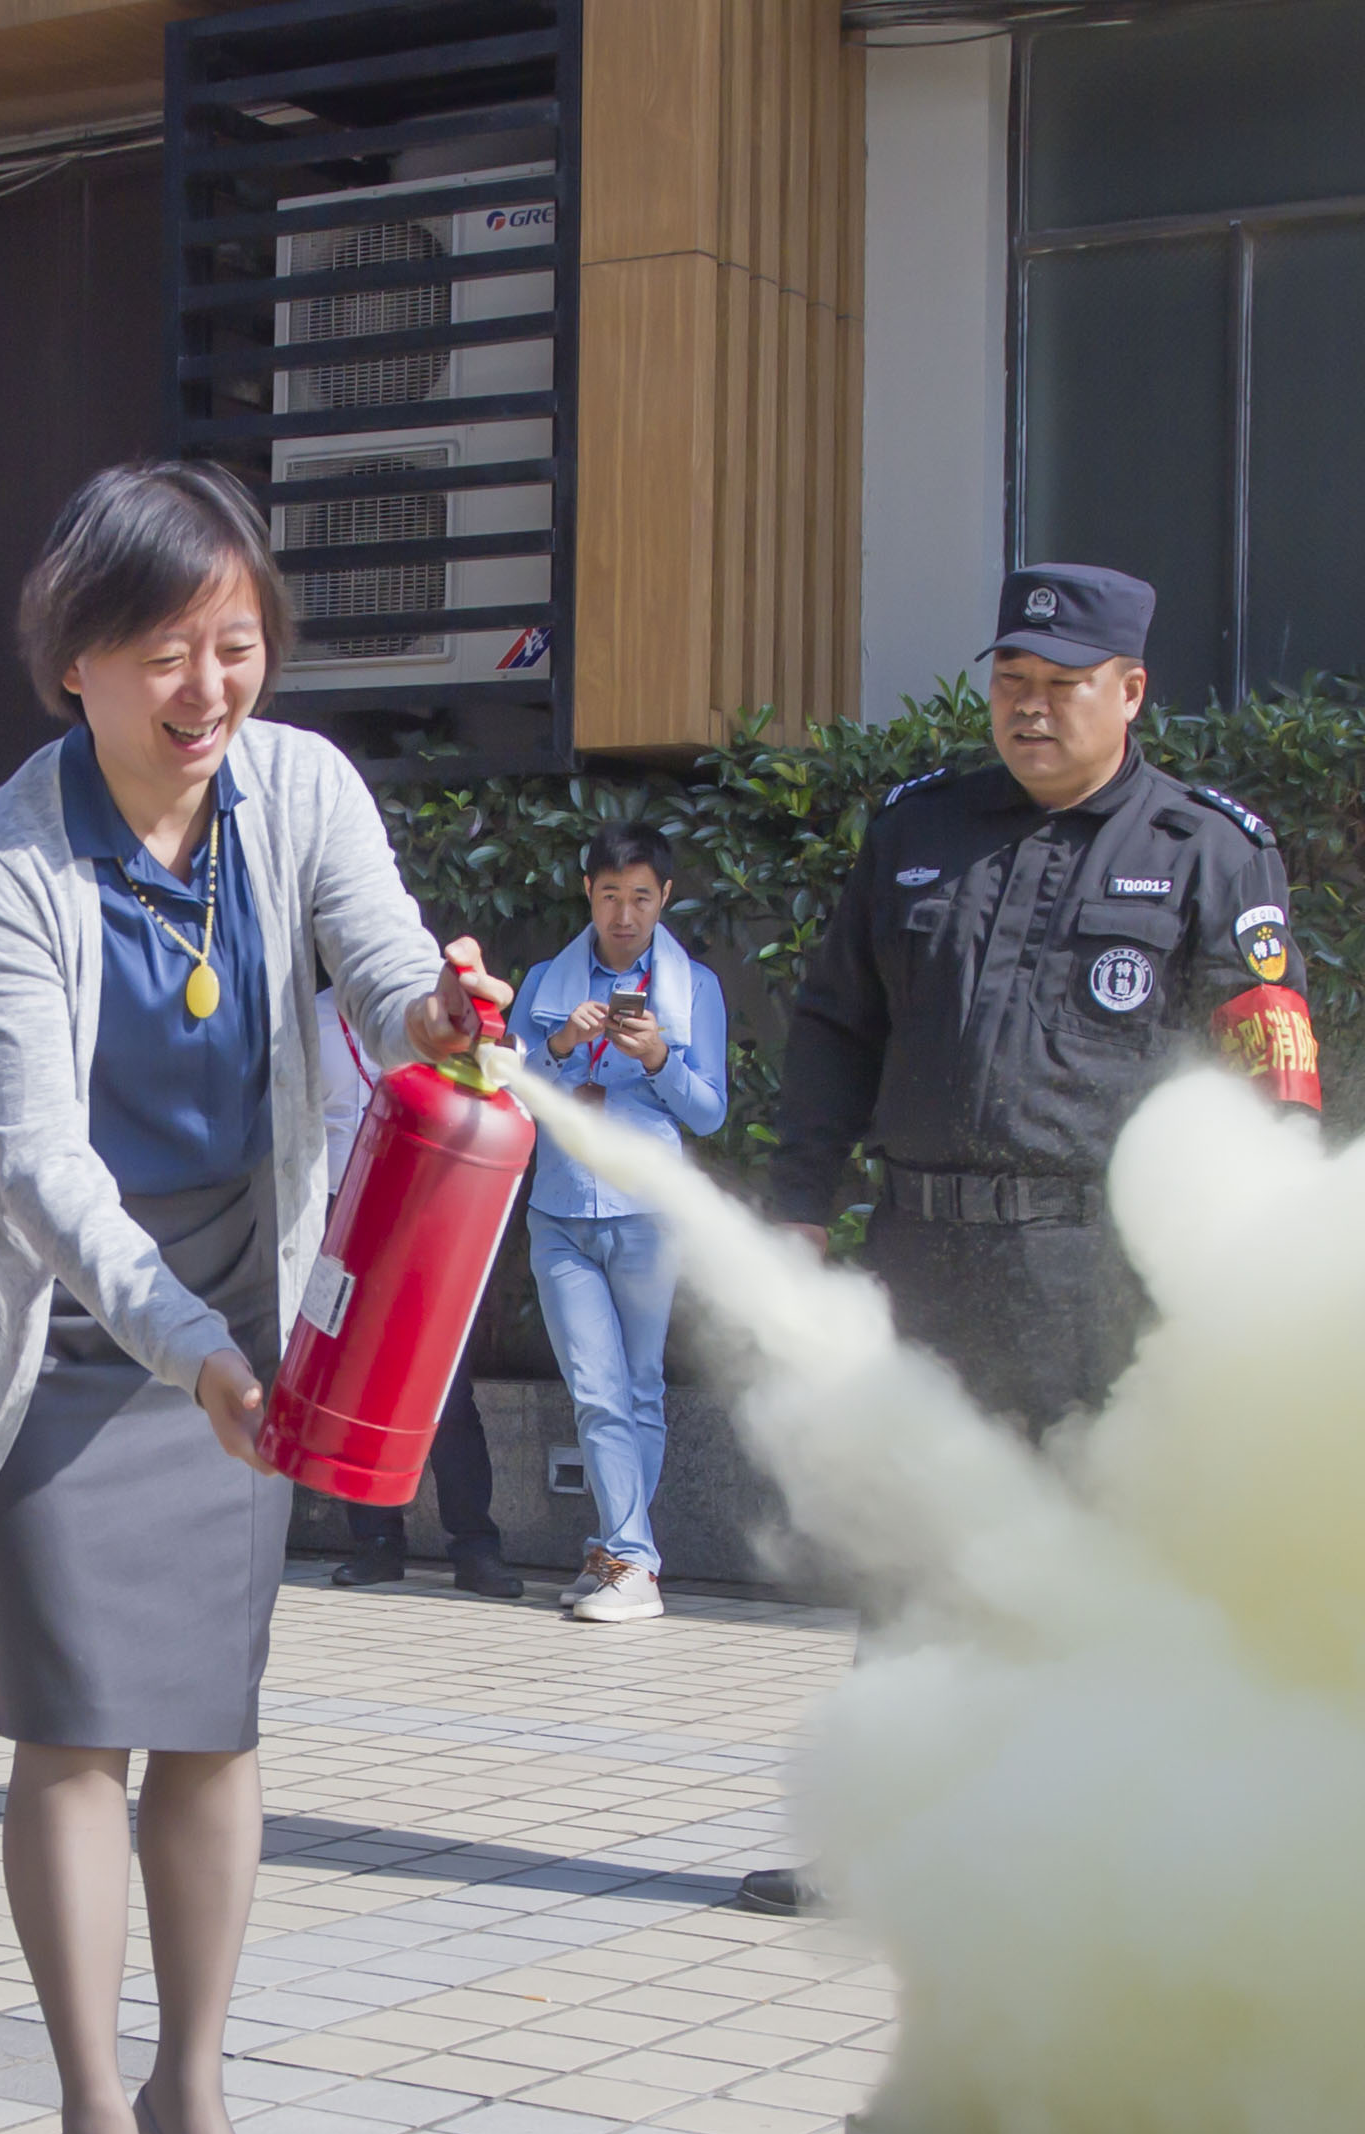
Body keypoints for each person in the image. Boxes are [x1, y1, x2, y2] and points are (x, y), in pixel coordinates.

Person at [0, 459, 501, 2134]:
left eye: (235, 643)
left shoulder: (300, 785)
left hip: (246, 1314)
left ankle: (194, 2086)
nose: (207, 687)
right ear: (74, 662)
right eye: (164, 650)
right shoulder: (1, 856)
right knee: (72, 1727)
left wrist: (439, 1014)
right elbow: (34, 1159)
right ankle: (94, 2110)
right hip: (73, 1324)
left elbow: (384, 971)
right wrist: (183, 1352)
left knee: (213, 1725)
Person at [748, 560, 1320, 1914]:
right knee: (909, 1546)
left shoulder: (1207, 849)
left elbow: (1269, 1066)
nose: (1031, 708)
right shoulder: (918, 828)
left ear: (1133, 691)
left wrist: (1264, 1260)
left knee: (1089, 1562)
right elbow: (837, 1028)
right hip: (924, 1254)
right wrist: (798, 1203)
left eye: (1064, 686)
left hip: (1090, 1275)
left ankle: (1090, 1857)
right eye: (1012, 682)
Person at [512, 822, 727, 1626]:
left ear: (665, 897)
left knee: (638, 1390)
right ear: (588, 894)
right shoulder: (547, 983)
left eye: (641, 897)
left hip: (647, 1209)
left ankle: (616, 1554)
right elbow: (511, 1090)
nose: (625, 915)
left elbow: (709, 1113)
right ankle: (632, 1561)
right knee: (597, 1389)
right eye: (610, 896)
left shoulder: (694, 987)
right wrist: (564, 1040)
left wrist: (659, 1059)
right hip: (560, 1212)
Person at [310, 983, 522, 1601]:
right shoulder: (306, 1016)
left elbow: (490, 1084)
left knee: (446, 1388)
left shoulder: (431, 1012)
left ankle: (476, 1549)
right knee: (354, 1382)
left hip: (426, 1202)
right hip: (339, 1211)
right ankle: (375, 1544)